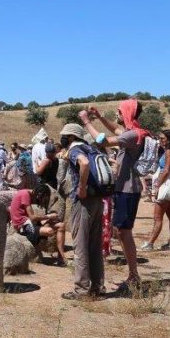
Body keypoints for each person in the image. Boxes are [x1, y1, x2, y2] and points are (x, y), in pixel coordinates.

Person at [79, 99, 146, 292]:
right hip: (124, 188)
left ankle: (134, 275)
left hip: (127, 189)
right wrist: (99, 117)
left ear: (126, 112)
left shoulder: (133, 135)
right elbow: (116, 129)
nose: (117, 114)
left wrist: (86, 122)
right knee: (121, 231)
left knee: (124, 232)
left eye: (119, 111)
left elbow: (104, 140)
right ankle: (133, 273)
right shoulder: (133, 133)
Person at [60, 123, 104, 300]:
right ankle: (97, 286)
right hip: (98, 200)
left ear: (70, 137)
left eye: (64, 135)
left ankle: (81, 290)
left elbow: (83, 164)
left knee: (80, 246)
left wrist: (82, 187)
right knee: (94, 246)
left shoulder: (74, 150)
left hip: (83, 201)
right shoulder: (91, 148)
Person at [142, 130, 170, 251]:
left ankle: (150, 243)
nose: (160, 140)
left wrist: (156, 186)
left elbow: (166, 170)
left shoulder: (168, 152)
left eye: (163, 138)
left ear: (169, 140)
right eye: (159, 138)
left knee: (157, 218)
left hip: (164, 187)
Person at [9, 184, 66, 265]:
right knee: (49, 231)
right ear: (39, 194)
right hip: (23, 226)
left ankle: (61, 257)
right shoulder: (25, 194)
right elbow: (32, 217)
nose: (41, 201)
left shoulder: (27, 194)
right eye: (43, 198)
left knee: (61, 226)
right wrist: (48, 216)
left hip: (29, 223)